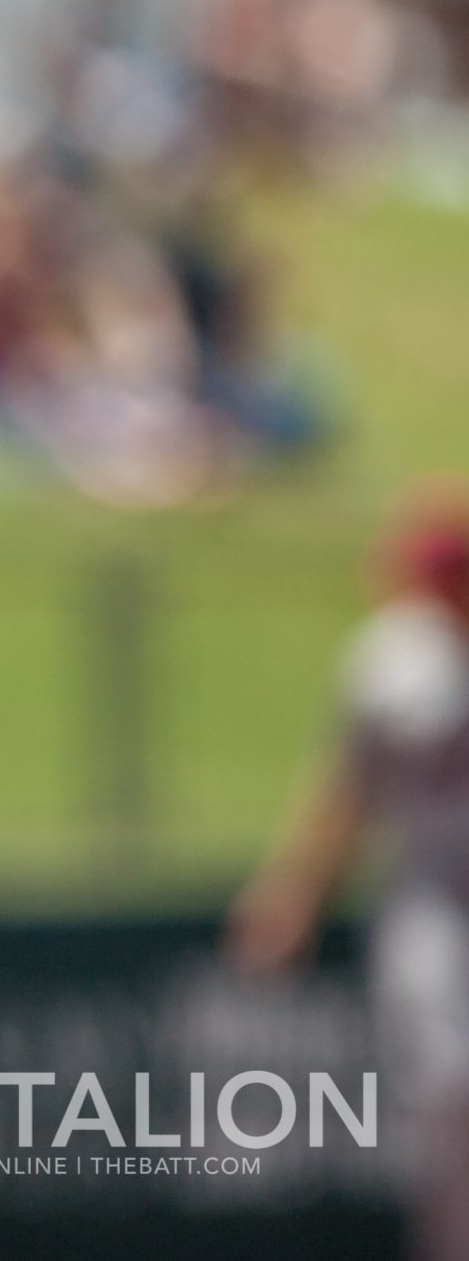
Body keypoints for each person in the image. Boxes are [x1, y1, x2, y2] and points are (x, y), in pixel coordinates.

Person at [228, 487, 469, 1261]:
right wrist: (293, 891)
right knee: (448, 1095)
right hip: (439, 903)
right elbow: (345, 790)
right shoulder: (395, 659)